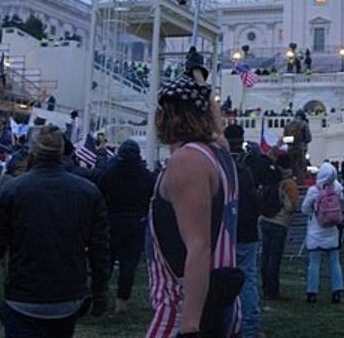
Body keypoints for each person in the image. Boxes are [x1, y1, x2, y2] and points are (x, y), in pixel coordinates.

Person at [0, 125, 111, 336]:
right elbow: (100, 248)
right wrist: (100, 291)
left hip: (23, 296)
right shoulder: (88, 192)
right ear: (62, 151)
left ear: (32, 152)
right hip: (67, 297)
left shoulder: (12, 190)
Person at [145, 76, 241, 337]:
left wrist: (189, 328)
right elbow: (218, 131)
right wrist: (202, 87)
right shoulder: (220, 152)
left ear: (170, 116)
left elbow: (198, 247)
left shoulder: (187, 161)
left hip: (181, 309)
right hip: (222, 302)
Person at [95, 138, 154, 315]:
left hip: (112, 222)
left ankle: (101, 297)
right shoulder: (147, 177)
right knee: (129, 265)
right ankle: (122, 301)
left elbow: (99, 196)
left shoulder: (109, 174)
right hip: (136, 223)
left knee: (106, 262)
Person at [224, 125, 263, 338]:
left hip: (227, 230)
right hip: (248, 229)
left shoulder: (220, 164)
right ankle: (250, 326)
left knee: (223, 279)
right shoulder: (253, 162)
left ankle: (228, 324)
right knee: (248, 278)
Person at [302, 162, 344, 304]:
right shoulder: (338, 188)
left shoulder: (314, 191)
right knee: (335, 262)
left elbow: (305, 209)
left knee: (314, 263)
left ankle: (312, 292)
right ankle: (337, 291)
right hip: (332, 230)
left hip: (316, 230)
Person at [258, 154, 299, 301]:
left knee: (265, 256)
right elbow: (293, 205)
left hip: (265, 219)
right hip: (279, 222)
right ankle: (273, 291)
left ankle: (265, 288)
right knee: (275, 258)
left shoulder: (269, 177)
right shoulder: (288, 183)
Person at [283, 111, 311, 183]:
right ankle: (300, 183)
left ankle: (292, 182)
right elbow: (308, 138)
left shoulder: (287, 125)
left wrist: (292, 142)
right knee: (301, 167)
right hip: (300, 149)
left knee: (291, 167)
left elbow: (285, 139)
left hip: (290, 149)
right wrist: (301, 141)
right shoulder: (304, 124)